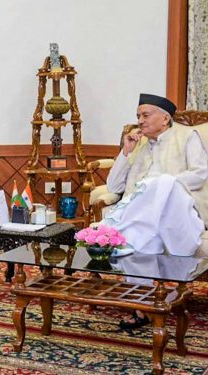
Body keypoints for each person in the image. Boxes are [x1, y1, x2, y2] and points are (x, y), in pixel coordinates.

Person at [104, 93, 208, 329]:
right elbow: (113, 187)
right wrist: (125, 151)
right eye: (138, 116)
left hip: (178, 209)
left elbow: (200, 174)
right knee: (139, 235)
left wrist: (162, 184)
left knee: (158, 185)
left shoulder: (187, 136)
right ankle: (145, 305)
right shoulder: (138, 143)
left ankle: (148, 297)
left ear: (165, 118)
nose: (140, 121)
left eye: (145, 115)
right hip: (141, 212)